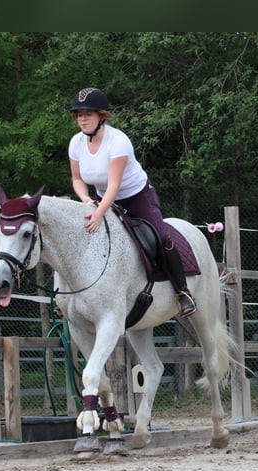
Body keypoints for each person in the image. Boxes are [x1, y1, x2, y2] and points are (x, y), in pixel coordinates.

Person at [68, 87, 196, 318]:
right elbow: (77, 179)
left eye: (88, 114)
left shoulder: (118, 141)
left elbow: (114, 185)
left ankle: (182, 291)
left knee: (161, 235)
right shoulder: (76, 143)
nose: (82, 119)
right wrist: (86, 200)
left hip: (136, 195)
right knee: (82, 234)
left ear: (101, 116)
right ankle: (75, 297)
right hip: (101, 197)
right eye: (79, 115)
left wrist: (99, 214)